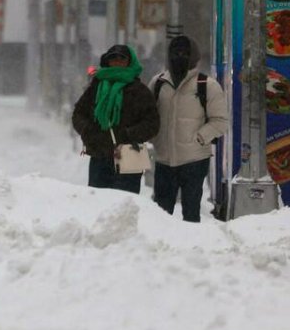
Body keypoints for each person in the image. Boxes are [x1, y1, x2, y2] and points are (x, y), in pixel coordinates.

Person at [150, 35, 229, 222]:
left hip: (194, 160)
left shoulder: (207, 85)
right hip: (164, 159)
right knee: (160, 215)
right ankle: (160, 247)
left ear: (194, 57)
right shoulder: (158, 83)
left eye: (185, 53)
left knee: (191, 212)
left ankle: (191, 247)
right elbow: (148, 114)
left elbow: (220, 121)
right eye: (175, 53)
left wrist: (200, 138)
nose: (180, 57)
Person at [71, 44, 160, 194]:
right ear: (107, 61)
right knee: (98, 204)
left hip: (129, 154)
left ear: (129, 62)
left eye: (122, 59)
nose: (117, 62)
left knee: (124, 205)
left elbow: (152, 123)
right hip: (100, 154)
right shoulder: (96, 87)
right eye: (113, 58)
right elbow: (78, 114)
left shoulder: (139, 91)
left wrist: (129, 134)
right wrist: (89, 131)